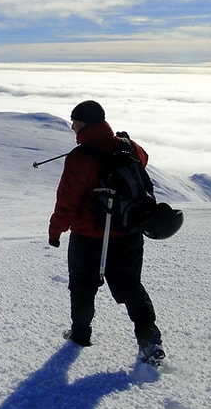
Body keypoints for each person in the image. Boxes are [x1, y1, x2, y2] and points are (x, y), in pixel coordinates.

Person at [48, 100, 164, 364]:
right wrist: (123, 141)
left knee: (83, 287)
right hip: (128, 233)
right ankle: (150, 340)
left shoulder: (80, 158)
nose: (73, 127)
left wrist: (55, 231)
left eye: (74, 122)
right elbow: (143, 159)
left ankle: (80, 335)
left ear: (84, 123)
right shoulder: (130, 147)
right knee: (131, 286)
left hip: (89, 237)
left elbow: (67, 201)